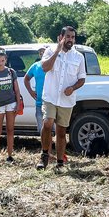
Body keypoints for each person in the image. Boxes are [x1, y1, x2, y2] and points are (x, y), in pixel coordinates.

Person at [37, 26, 86, 170]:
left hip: (66, 100)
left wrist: (73, 88)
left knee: (61, 132)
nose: (70, 40)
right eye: (68, 37)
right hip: (50, 97)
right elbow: (45, 68)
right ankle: (44, 155)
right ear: (61, 37)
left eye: (72, 37)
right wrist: (57, 50)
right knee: (47, 123)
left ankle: (59, 162)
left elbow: (82, 79)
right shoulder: (50, 51)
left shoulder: (78, 57)